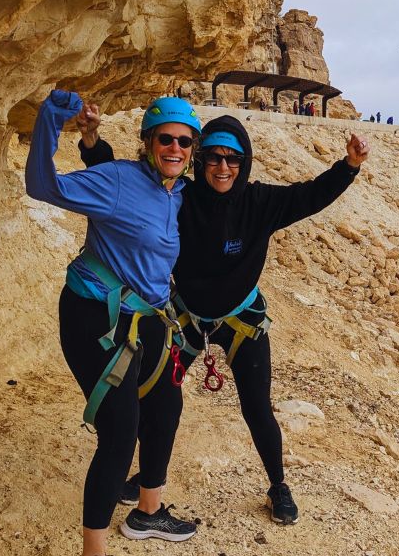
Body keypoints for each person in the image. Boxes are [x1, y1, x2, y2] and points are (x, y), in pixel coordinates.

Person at [81, 114, 370, 526]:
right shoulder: (180, 196)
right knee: (159, 402)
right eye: (213, 158)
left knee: (257, 407)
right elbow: (122, 188)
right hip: (186, 318)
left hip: (241, 320)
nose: (222, 168)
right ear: (199, 161)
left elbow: (311, 196)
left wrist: (350, 166)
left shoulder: (261, 203)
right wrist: (92, 142)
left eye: (233, 159)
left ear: (245, 162)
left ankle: (278, 485)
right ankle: (149, 478)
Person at [26, 91, 202, 556]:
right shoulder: (120, 181)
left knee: (166, 407)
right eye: (165, 139)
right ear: (148, 143)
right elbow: (43, 186)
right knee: (120, 432)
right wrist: (51, 120)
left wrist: (91, 140)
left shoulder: (180, 192)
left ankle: (148, 512)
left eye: (184, 142)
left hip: (146, 319)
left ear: (193, 149)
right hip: (93, 317)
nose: (174, 148)